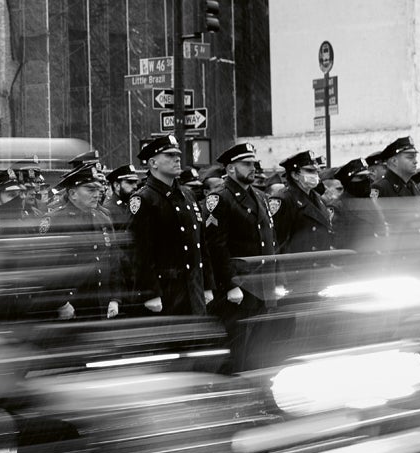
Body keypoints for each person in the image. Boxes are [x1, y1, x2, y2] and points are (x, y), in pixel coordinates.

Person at [205, 142, 281, 369]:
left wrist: (276, 279)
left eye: (254, 163)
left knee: (261, 345)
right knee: (239, 345)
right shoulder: (220, 198)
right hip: (240, 285)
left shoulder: (259, 196)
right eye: (246, 164)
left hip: (262, 283)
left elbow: (270, 240)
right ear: (230, 169)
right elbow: (216, 246)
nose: (252, 168)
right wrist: (230, 284)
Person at [125, 134, 211, 316]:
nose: (177, 159)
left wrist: (207, 284)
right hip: (166, 292)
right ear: (153, 163)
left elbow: (201, 243)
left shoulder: (187, 195)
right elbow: (139, 251)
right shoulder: (144, 199)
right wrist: (150, 292)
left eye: (177, 154)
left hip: (192, 288)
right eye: (169, 155)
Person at [39, 165, 123, 320]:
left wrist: (114, 298)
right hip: (72, 306)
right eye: (90, 190)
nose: (97, 195)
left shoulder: (103, 218)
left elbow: (114, 261)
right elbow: (45, 267)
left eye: (98, 190)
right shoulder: (56, 221)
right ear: (72, 193)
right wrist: (60, 302)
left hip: (100, 302)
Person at [273, 152, 336, 253]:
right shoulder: (283, 199)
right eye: (310, 171)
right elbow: (278, 241)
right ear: (295, 175)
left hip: (321, 261)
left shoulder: (317, 198)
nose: (315, 175)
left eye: (316, 171)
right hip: (298, 264)